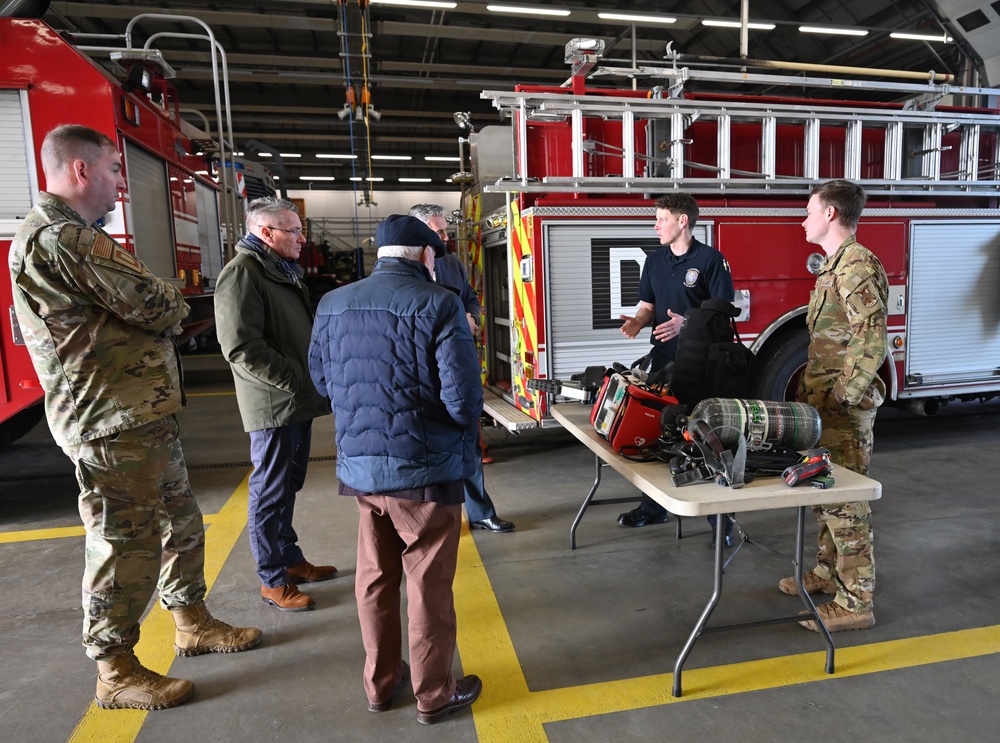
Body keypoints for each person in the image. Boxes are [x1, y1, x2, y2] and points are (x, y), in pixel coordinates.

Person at [8, 124, 261, 711]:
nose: (123, 183)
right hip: (109, 420)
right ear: (81, 171)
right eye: (116, 170)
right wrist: (169, 299)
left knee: (180, 525)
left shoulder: (69, 235)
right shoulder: (65, 238)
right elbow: (156, 304)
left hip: (134, 415)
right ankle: (115, 669)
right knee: (123, 547)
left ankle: (192, 623)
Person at [308, 214, 483, 725]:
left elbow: (322, 381)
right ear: (427, 257)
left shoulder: (332, 303)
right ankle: (434, 694)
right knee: (428, 585)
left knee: (375, 579)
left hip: (362, 472)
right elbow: (464, 400)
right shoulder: (440, 303)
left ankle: (381, 684)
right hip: (425, 471)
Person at [214, 197, 336, 612]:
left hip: (294, 401)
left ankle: (290, 558)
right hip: (274, 404)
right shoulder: (242, 274)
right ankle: (272, 579)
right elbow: (241, 347)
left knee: (288, 486)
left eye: (300, 229)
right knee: (269, 491)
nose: (302, 238)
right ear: (266, 232)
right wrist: (297, 379)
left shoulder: (278, 270)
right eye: (294, 231)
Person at [779, 179, 888, 633]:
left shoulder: (856, 266)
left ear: (830, 214)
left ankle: (856, 601)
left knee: (847, 501)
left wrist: (844, 394)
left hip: (841, 408)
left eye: (808, 210)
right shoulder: (833, 266)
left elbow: (871, 336)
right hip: (823, 404)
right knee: (825, 490)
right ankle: (827, 572)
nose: (803, 219)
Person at [617, 193, 735, 532]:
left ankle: (721, 520)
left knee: (707, 437)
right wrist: (638, 322)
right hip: (663, 362)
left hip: (701, 365)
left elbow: (722, 312)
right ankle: (653, 508)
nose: (655, 226)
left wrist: (688, 322)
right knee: (656, 436)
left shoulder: (712, 260)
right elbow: (648, 307)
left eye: (661, 219)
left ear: (682, 221)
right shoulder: (654, 261)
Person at [409, 203, 515, 533]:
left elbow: (471, 299)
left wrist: (473, 317)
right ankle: (430, 520)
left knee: (468, 440)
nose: (445, 236)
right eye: (438, 231)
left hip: (458, 367)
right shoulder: (404, 268)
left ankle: (480, 511)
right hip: (423, 372)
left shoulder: (453, 264)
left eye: (445, 229)